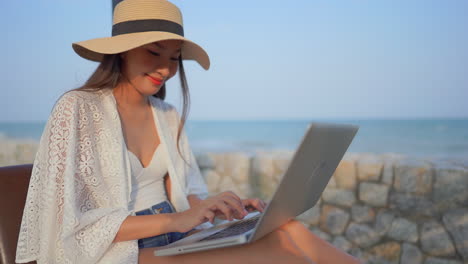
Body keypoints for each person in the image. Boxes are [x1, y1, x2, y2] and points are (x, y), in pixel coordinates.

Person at [15, 0, 361, 263]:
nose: (166, 69)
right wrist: (177, 219)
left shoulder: (167, 116)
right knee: (277, 248)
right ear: (120, 52)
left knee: (287, 228)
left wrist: (220, 206)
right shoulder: (77, 109)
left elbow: (187, 196)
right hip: (123, 250)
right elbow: (69, 224)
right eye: (154, 51)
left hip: (178, 234)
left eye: (175, 57)